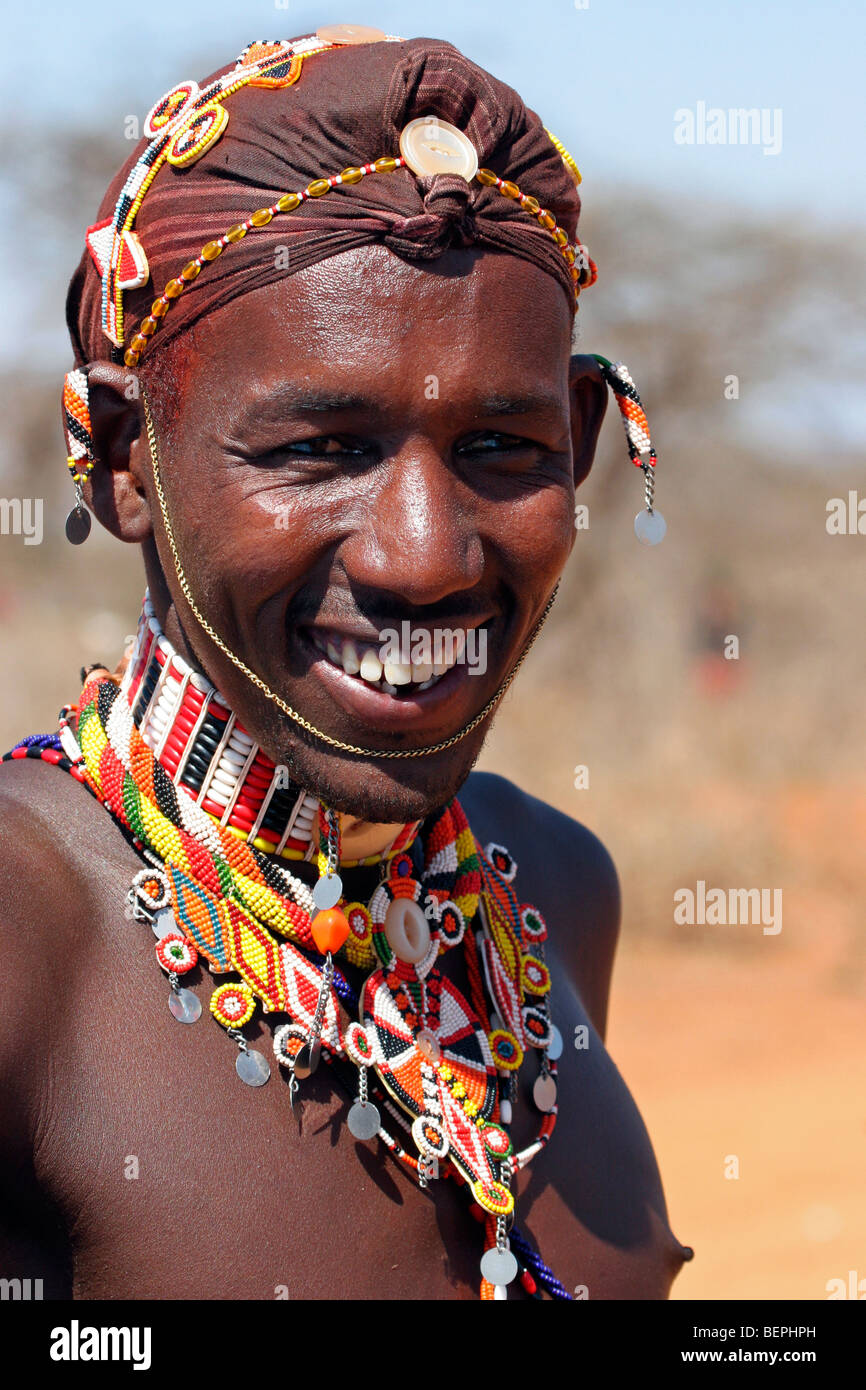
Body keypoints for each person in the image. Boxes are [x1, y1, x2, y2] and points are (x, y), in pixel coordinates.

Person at [0, 26, 689, 1300]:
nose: (425, 560)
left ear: (581, 445)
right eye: (319, 449)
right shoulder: (23, 943)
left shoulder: (551, 889)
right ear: (116, 457)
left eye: (499, 446)